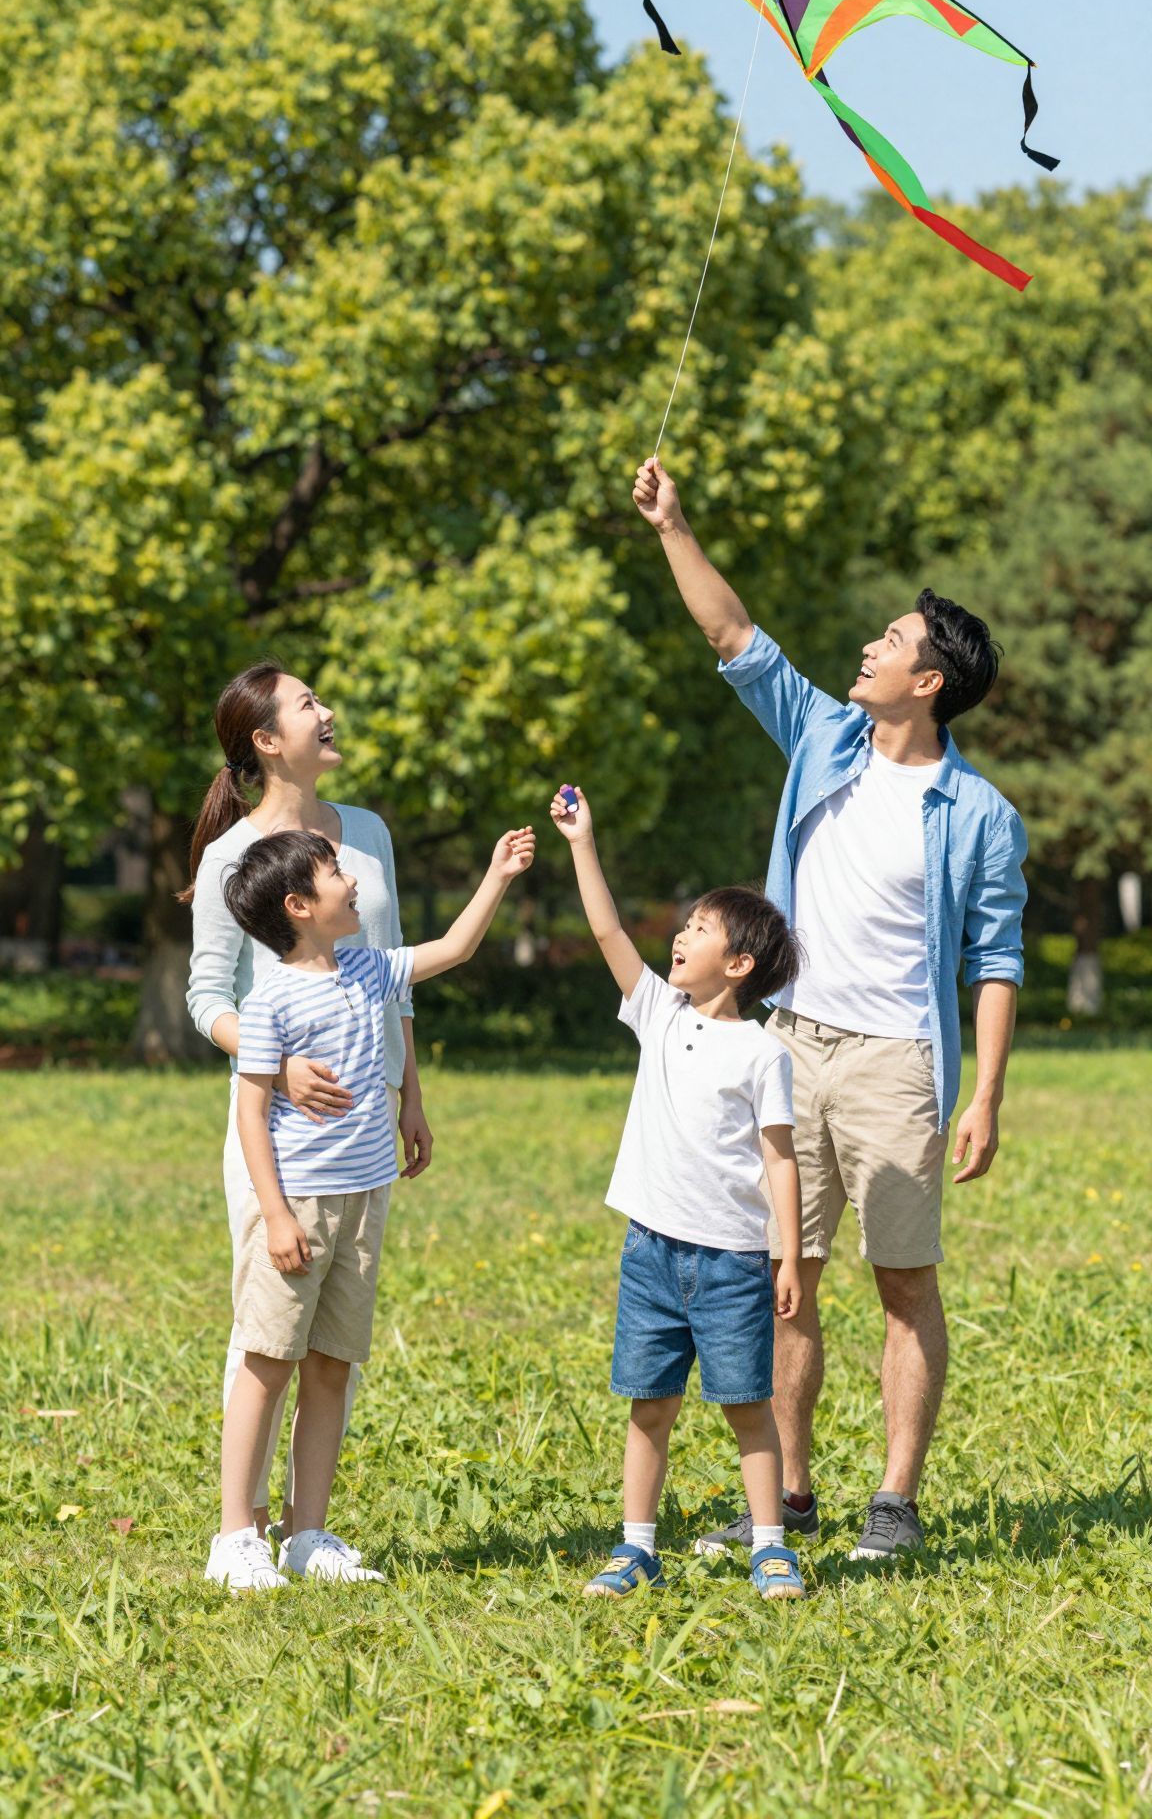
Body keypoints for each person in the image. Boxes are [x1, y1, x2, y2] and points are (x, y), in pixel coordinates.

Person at [633, 454, 1027, 1562]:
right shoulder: (822, 739)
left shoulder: (979, 813)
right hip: (789, 1049)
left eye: (892, 641)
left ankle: (892, 1504)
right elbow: (733, 634)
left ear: (930, 681)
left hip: (900, 1062)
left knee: (904, 1281)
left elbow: (996, 959)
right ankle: (790, 1499)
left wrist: (983, 1094)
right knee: (784, 1281)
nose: (870, 647)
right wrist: (673, 524)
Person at [205, 821, 535, 1591]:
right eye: (332, 873)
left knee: (330, 1366)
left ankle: (306, 1533)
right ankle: (233, 1537)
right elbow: (252, 1116)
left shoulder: (366, 969)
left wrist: (497, 874)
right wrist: (278, 1215)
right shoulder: (272, 1001)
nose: (350, 880)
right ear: (298, 905)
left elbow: (451, 949)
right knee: (266, 1362)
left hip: (362, 1202)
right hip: (298, 1206)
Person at [184, 663, 433, 1541]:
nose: (327, 712)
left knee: (334, 1332)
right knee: (267, 1323)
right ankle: (239, 1530)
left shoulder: (364, 834)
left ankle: (307, 1528)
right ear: (266, 740)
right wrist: (273, 1062)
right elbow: (205, 994)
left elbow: (391, 975)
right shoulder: (229, 858)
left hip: (365, 1128)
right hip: (278, 1132)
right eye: (307, 704)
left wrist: (411, 1092)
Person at [549, 783, 807, 1602]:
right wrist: (582, 842)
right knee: (648, 1405)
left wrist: (787, 1256)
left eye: (698, 929)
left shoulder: (764, 1054)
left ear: (738, 965)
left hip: (733, 1263)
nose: (679, 935)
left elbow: (781, 1162)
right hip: (651, 1252)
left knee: (747, 1407)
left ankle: (771, 1545)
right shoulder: (657, 1012)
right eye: (684, 924)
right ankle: (636, 1547)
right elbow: (605, 928)